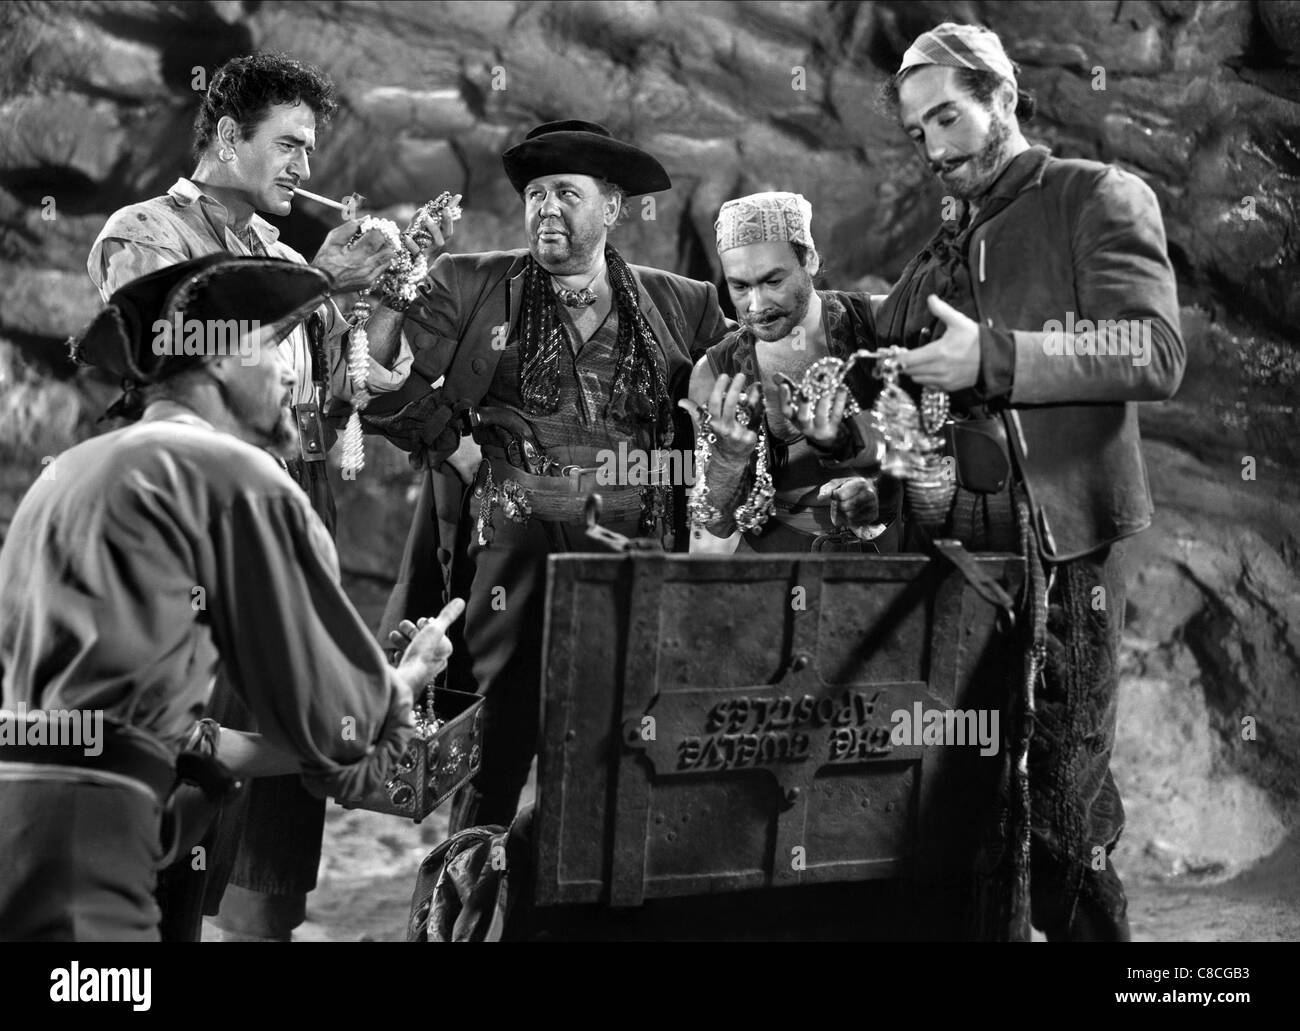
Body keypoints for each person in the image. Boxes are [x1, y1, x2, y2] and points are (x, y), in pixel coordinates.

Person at [86, 52, 456, 942]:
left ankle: (260, 927)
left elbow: (338, 390)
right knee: (188, 777)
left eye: (311, 149)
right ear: (224, 137)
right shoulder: (143, 232)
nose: (303, 166)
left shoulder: (283, 252)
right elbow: (179, 359)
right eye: (288, 144)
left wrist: (396, 283)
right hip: (196, 534)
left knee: (277, 803)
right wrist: (322, 284)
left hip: (290, 525)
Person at [0, 255, 465, 942]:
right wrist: (409, 677)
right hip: (116, 856)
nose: (288, 373)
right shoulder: (239, 476)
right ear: (217, 362)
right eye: (272, 349)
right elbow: (342, 736)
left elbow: (178, 737)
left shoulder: (66, 475)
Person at [873, 22, 1186, 939]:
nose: (935, 149)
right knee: (963, 814)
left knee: (1059, 820)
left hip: (1066, 556)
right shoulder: (946, 239)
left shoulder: (1095, 197)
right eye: (917, 134)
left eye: (948, 119)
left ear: (1004, 98)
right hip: (957, 562)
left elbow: (1153, 350)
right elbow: (885, 358)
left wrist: (995, 356)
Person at [363, 120, 731, 830]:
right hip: (512, 551)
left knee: (616, 748)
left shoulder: (684, 303)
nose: (546, 208)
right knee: (494, 752)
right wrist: (454, 443)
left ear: (613, 208)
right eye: (535, 194)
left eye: (567, 191)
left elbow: (739, 398)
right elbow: (378, 380)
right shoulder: (471, 284)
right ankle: (460, 911)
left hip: (633, 553)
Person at [682, 191, 899, 554]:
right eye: (740, 286)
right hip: (772, 560)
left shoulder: (879, 325)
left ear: (810, 260)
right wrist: (727, 460)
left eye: (772, 282)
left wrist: (879, 491)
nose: (757, 305)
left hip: (885, 553)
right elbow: (716, 524)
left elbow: (938, 440)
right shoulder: (716, 373)